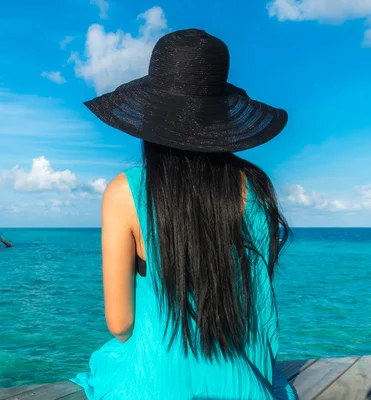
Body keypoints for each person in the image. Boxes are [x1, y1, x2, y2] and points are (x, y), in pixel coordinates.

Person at [72, 29, 297, 399]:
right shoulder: (256, 186)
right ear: (223, 119)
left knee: (108, 360)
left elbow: (121, 324)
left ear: (149, 116)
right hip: (244, 383)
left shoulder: (124, 191)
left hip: (157, 382)